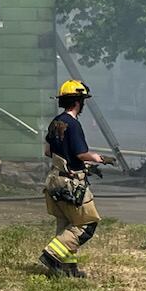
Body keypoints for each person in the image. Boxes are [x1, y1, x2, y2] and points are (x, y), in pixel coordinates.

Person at [38, 79, 115, 278]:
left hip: (55, 180)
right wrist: (99, 159)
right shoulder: (73, 124)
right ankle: (51, 255)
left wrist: (81, 165)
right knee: (87, 224)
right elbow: (81, 153)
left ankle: (67, 268)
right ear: (79, 101)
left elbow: (48, 151)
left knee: (66, 224)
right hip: (72, 184)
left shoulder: (56, 122)